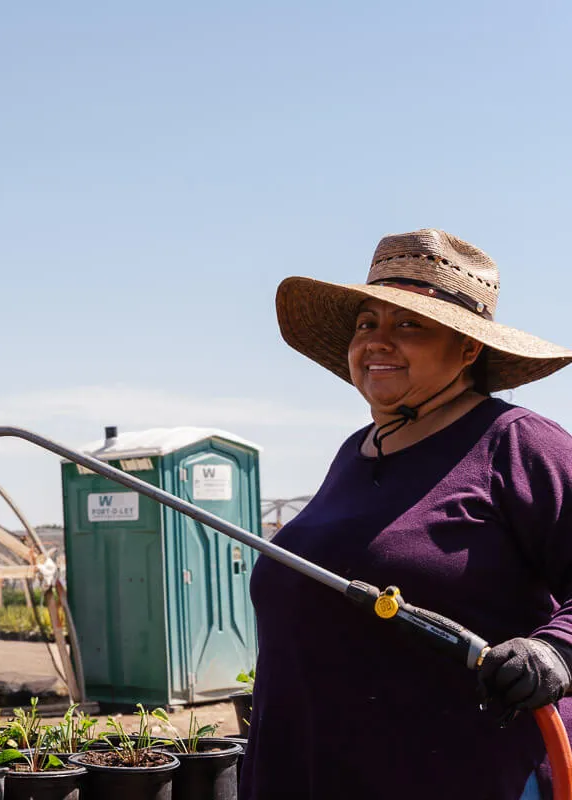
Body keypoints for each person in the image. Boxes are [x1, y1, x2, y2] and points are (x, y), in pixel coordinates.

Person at [243, 229, 572, 799]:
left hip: (462, 775)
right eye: (366, 323)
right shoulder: (356, 451)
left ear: (469, 347)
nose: (376, 341)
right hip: (308, 771)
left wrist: (553, 650)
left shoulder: (518, 445)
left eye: (408, 324)